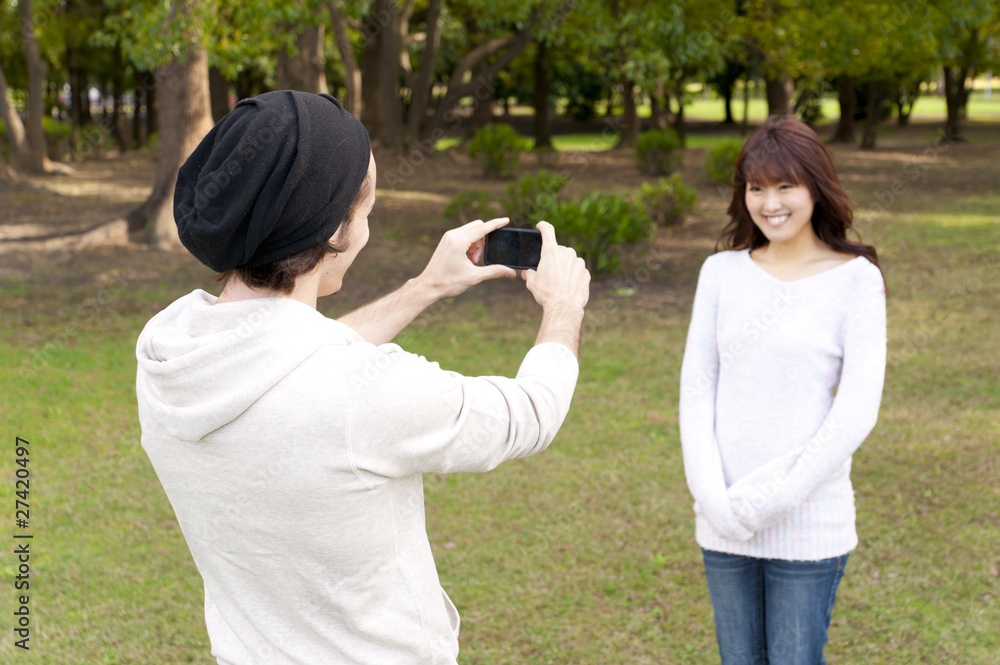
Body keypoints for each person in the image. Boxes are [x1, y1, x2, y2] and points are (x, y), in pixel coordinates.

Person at [135, 90, 590, 665]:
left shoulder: (168, 353)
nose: (369, 231)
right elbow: (528, 415)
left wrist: (427, 286)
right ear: (332, 232)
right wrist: (563, 306)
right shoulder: (363, 392)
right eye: (366, 212)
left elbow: (289, 357)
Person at [678, 116, 887, 665]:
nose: (770, 202)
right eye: (756, 187)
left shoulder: (856, 279)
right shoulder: (720, 273)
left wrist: (778, 499)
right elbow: (696, 392)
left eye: (785, 185)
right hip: (723, 522)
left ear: (816, 187)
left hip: (809, 521)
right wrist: (713, 501)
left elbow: (857, 410)